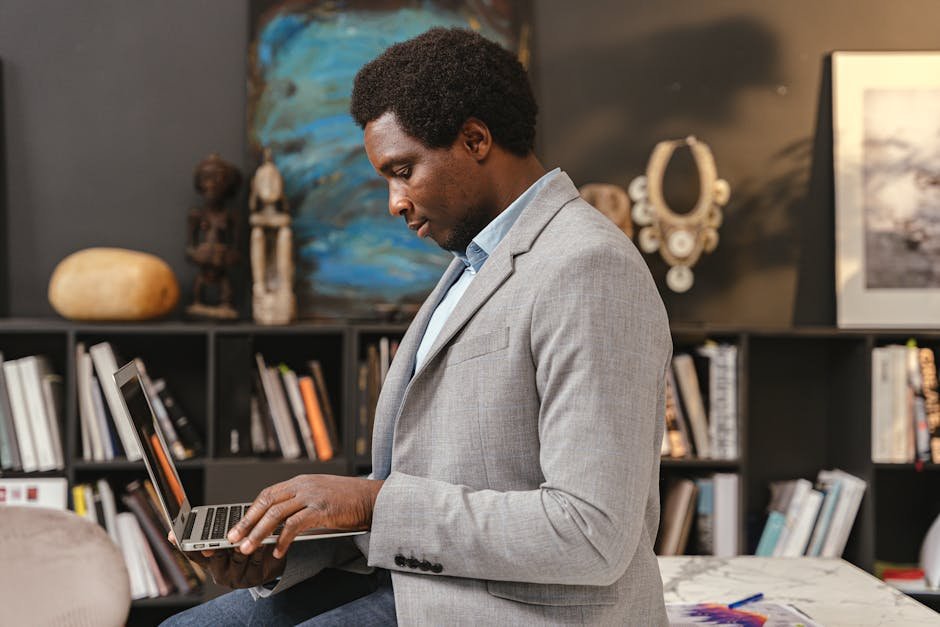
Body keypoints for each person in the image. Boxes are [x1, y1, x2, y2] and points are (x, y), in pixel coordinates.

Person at [164, 27, 670, 626]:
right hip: (422, 581)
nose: (394, 202)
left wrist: (370, 502)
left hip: (519, 608)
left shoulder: (589, 266)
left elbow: (592, 533)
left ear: (475, 139)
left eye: (403, 171)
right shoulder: (471, 264)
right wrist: (287, 546)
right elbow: (434, 486)